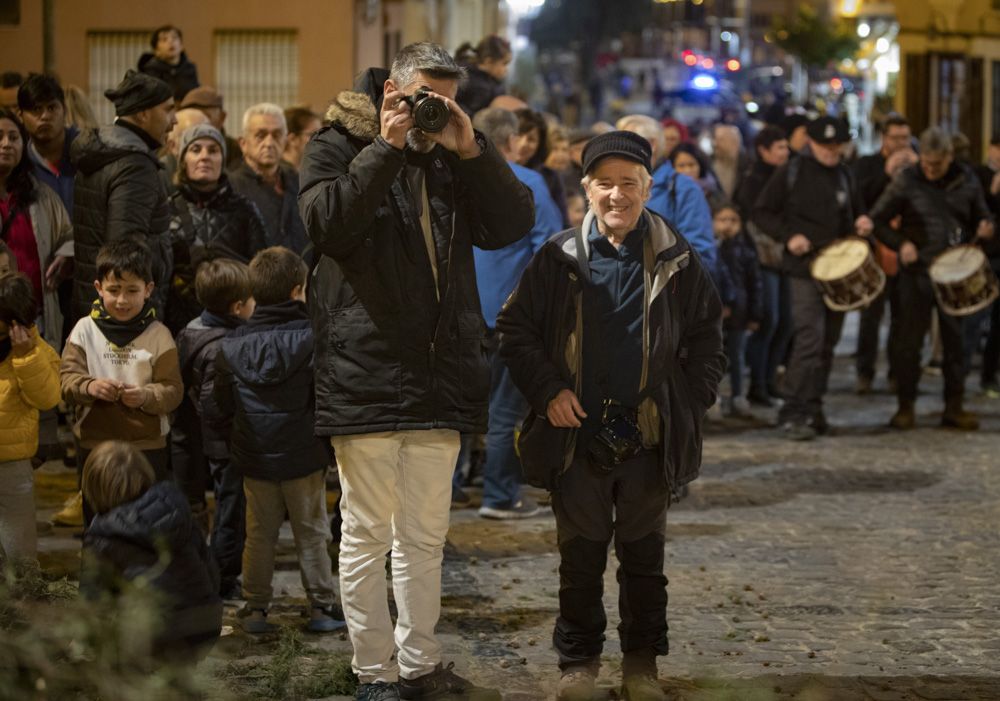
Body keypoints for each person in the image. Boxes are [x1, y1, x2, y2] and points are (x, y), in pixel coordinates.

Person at [298, 41, 533, 701]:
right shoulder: (337, 144)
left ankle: (419, 661)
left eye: (447, 99)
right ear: (392, 93)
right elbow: (326, 225)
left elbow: (512, 221)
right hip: (365, 367)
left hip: (441, 368)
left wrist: (471, 148)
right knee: (368, 530)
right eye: (427, 97)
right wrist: (388, 145)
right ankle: (373, 671)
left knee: (427, 534)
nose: (437, 109)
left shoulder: (452, 153)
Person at [497, 130, 724, 701]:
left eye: (629, 183)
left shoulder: (677, 257)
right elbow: (515, 329)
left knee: (644, 560)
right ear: (586, 190)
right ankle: (579, 665)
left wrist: (688, 405)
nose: (616, 195)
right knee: (580, 558)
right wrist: (548, 389)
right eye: (605, 183)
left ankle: (642, 667)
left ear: (648, 189)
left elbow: (708, 337)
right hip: (577, 437)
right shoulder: (557, 256)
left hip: (648, 435)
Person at [213, 246, 346, 634]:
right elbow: (324, 398)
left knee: (258, 535)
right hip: (303, 458)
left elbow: (219, 404)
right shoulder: (312, 338)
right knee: (312, 532)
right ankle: (321, 606)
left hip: (255, 459)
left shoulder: (232, 345)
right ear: (298, 290)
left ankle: (255, 609)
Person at [870, 127, 994, 430]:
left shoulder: (966, 180)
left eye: (936, 164)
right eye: (926, 163)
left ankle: (954, 406)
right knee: (909, 342)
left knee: (956, 343)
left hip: (955, 272)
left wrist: (986, 226)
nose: (930, 169)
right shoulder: (907, 180)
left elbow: (982, 214)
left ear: (949, 157)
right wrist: (902, 244)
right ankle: (905, 406)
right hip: (917, 272)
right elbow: (878, 220)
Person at [471, 107, 562, 520]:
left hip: (463, 313)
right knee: (506, 411)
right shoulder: (527, 182)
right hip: (510, 313)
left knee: (463, 410)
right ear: (509, 142)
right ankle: (499, 495)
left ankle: (454, 488)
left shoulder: (453, 179)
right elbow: (551, 249)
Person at [753, 116, 867, 440]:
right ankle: (793, 409)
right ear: (811, 144)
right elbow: (762, 212)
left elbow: (855, 211)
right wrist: (789, 237)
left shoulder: (845, 173)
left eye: (837, 146)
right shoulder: (791, 171)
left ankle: (814, 406)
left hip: (838, 270)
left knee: (828, 343)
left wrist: (861, 223)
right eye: (826, 146)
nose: (832, 151)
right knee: (809, 339)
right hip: (803, 269)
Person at [60, 238, 183, 523]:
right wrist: (89, 386)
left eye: (132, 291)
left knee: (146, 522)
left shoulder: (159, 335)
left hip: (146, 447)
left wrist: (146, 396)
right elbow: (66, 380)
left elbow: (173, 390)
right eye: (114, 290)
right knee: (97, 520)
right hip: (96, 446)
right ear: (99, 288)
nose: (122, 300)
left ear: (148, 290)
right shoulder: (84, 330)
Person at [79, 440, 222, 663]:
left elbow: (93, 603)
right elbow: (211, 569)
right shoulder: (176, 508)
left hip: (151, 636)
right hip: (203, 625)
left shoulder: (101, 536)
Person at [70, 69, 176, 321]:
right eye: (168, 110)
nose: (174, 120)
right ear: (143, 114)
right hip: (124, 315)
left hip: (98, 304)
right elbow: (125, 254)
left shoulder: (106, 152)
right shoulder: (134, 166)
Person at [176, 258, 254, 599]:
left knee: (218, 506)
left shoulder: (191, 330)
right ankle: (222, 578)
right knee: (230, 512)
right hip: (225, 443)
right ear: (237, 307)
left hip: (196, 440)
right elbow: (214, 404)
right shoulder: (224, 345)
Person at [165, 123, 267, 333]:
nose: (205, 156)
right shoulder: (166, 210)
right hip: (179, 325)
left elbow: (261, 272)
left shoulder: (244, 210)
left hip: (234, 326)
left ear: (223, 159)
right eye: (195, 149)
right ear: (183, 160)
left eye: (213, 150)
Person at [0, 271, 61, 568]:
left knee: (19, 553)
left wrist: (26, 357)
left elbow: (48, 398)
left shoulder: (39, 351)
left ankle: (20, 606)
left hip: (13, 464)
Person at [0, 109, 74, 348]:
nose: (6, 144)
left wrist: (66, 254)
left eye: (14, 137)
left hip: (36, 319)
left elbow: (67, 234)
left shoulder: (42, 195)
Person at [852, 115, 914, 394]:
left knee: (903, 319)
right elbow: (861, 201)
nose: (902, 144)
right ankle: (865, 371)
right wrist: (887, 174)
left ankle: (897, 373)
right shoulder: (867, 165)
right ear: (884, 138)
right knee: (871, 317)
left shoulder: (918, 168)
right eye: (896, 138)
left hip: (906, 251)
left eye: (905, 138)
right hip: (875, 250)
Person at [616, 114, 717, 277]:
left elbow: (699, 251)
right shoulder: (619, 188)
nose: (617, 151)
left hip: (667, 291)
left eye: (624, 143)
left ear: (652, 145)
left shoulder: (684, 188)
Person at [734, 125, 792, 406]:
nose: (785, 152)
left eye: (785, 146)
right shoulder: (754, 181)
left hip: (786, 259)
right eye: (779, 147)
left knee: (786, 322)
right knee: (769, 320)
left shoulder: (788, 175)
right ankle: (758, 384)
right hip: (763, 260)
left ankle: (770, 381)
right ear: (763, 151)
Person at [228, 103, 309, 255]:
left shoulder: (300, 183)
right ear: (243, 143)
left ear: (285, 142)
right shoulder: (230, 187)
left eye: (277, 135)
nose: (269, 143)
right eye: (260, 135)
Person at [711, 198, 762, 417]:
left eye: (733, 220)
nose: (727, 224)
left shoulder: (746, 252)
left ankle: (739, 397)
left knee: (737, 355)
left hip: (740, 314)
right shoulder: (711, 250)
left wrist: (755, 314)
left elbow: (755, 284)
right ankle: (715, 398)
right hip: (716, 314)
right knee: (714, 356)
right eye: (722, 219)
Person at [17, 74, 78, 214]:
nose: (45, 116)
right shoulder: (20, 166)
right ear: (20, 116)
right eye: (36, 109)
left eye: (51, 108)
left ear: (64, 110)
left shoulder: (88, 153)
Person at [972, 137, 1000, 397]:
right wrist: (993, 192)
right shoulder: (978, 175)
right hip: (987, 256)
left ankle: (990, 373)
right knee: (976, 316)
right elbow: (978, 215)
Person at [514, 108, 568, 226]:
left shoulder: (549, 177)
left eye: (531, 139)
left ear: (540, 145)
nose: (523, 144)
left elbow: (562, 222)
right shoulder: (491, 170)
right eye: (518, 135)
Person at [180, 85, 243, 169]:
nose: (198, 124)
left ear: (222, 117)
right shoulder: (172, 146)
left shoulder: (235, 150)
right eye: (192, 117)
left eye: (205, 117)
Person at [137, 24, 200, 103]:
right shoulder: (150, 72)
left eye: (174, 38)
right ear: (157, 50)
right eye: (164, 39)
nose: (170, 41)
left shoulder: (190, 69)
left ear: (181, 46)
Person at [455, 34, 512, 116]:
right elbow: (455, 104)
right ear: (488, 61)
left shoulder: (497, 83)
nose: (506, 69)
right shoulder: (463, 76)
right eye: (504, 64)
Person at [158, 106, 209, 195]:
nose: (204, 153)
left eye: (209, 137)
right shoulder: (157, 178)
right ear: (173, 146)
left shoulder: (223, 177)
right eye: (194, 139)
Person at [710, 124, 747, 199]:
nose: (715, 144)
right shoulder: (708, 163)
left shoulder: (748, 166)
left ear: (735, 142)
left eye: (721, 140)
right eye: (714, 139)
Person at [283, 105, 322, 171]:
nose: (320, 139)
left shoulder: (307, 170)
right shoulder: (279, 173)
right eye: (313, 134)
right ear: (293, 139)